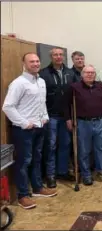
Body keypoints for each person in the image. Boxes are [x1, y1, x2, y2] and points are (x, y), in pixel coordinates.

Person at [2, 52, 57, 209]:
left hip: (40, 127)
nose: (35, 64)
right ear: (24, 64)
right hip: (24, 130)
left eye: (37, 61)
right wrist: (24, 123)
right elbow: (7, 107)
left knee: (36, 159)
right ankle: (23, 195)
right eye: (31, 61)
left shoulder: (41, 81)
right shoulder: (18, 83)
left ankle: (38, 188)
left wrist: (45, 117)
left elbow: (42, 103)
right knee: (24, 162)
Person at [64, 65, 102, 186]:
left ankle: (101, 170)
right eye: (87, 73)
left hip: (99, 121)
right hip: (83, 122)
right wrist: (68, 119)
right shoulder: (74, 88)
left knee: (100, 147)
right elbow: (66, 104)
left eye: (92, 73)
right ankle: (86, 174)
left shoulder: (101, 86)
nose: (90, 75)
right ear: (82, 74)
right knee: (84, 150)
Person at [39, 47, 77, 188]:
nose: (58, 57)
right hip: (51, 116)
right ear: (51, 57)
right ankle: (50, 175)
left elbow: (74, 95)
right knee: (51, 145)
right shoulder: (44, 73)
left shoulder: (70, 73)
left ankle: (62, 171)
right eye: (55, 55)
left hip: (66, 116)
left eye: (61, 54)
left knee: (66, 144)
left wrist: (71, 116)